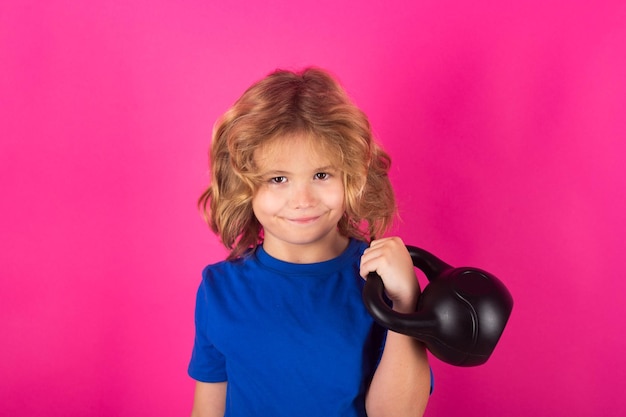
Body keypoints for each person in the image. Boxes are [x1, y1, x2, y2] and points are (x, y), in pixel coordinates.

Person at [188, 67, 431, 417]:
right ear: (243, 185)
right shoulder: (219, 289)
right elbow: (207, 408)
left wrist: (406, 302)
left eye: (321, 175)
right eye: (277, 178)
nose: (302, 199)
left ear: (352, 175)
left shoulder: (383, 284)